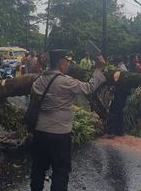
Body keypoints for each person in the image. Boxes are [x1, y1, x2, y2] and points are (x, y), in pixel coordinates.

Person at [30, 49, 106, 191]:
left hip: (40, 131)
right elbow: (89, 88)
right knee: (60, 170)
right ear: (61, 63)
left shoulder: (38, 81)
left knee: (38, 168)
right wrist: (99, 69)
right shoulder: (65, 82)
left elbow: (34, 98)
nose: (69, 66)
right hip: (59, 134)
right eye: (67, 62)